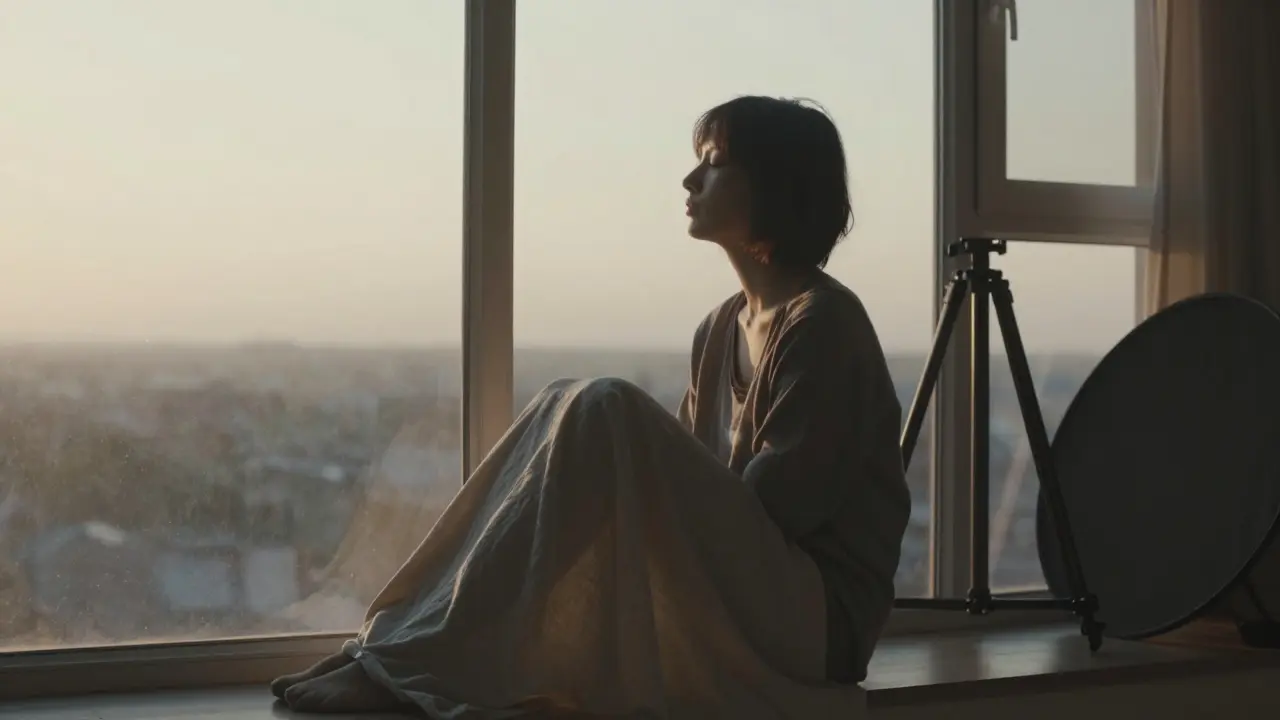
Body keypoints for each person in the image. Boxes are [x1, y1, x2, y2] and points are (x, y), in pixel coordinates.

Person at [271, 95, 911, 718]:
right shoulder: (719, 330)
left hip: (816, 626)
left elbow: (777, 512)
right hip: (746, 591)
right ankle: (396, 651)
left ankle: (412, 663)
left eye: (714, 162)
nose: (691, 178)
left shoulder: (824, 325)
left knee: (604, 407)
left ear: (773, 184)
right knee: (565, 401)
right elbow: (692, 502)